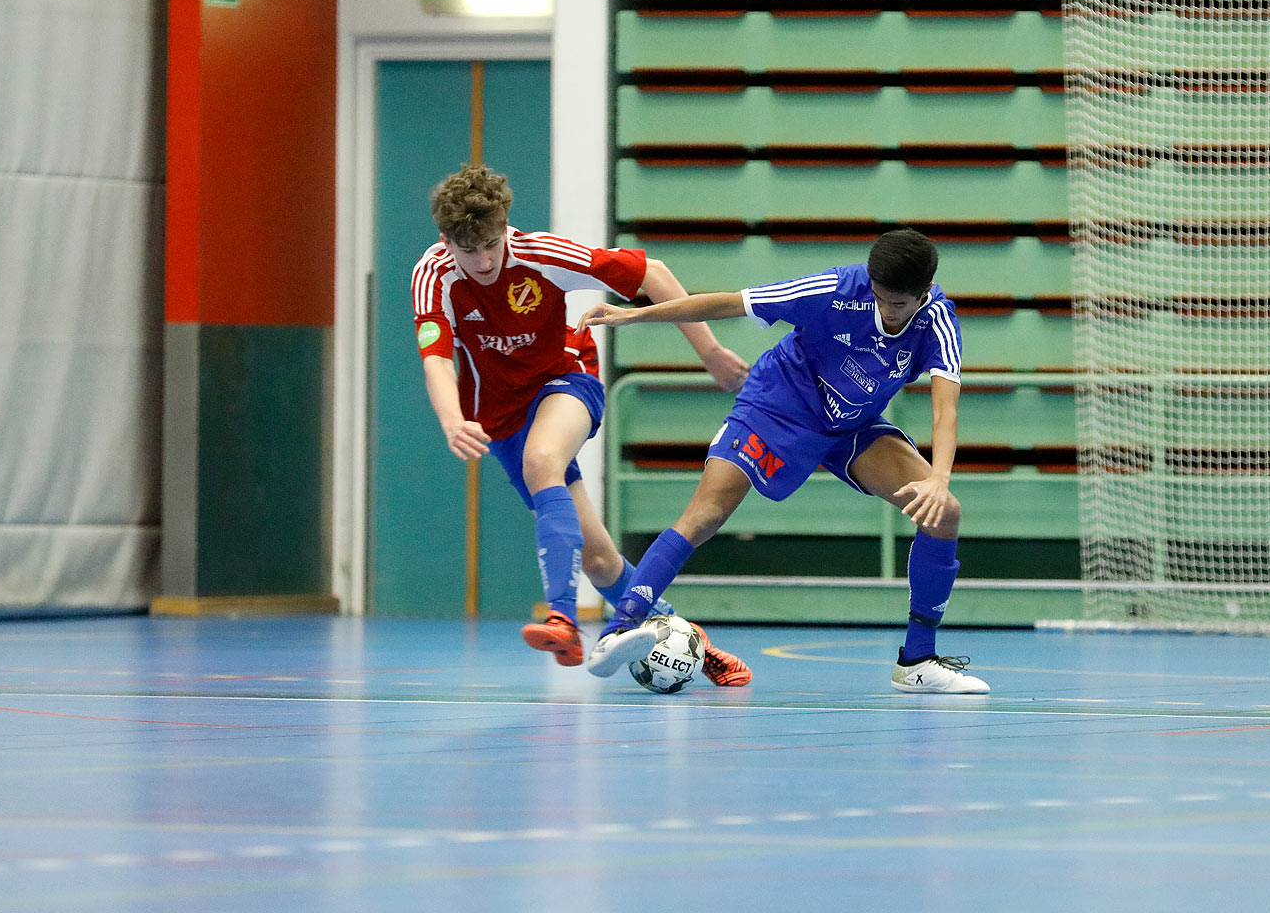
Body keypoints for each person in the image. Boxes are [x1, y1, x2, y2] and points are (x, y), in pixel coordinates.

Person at [576, 228, 989, 694]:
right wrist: (635, 316)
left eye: (899, 304)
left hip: (849, 427)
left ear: (925, 292)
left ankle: (916, 661)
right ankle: (617, 631)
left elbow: (945, 407)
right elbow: (730, 302)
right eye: (879, 298)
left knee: (944, 513)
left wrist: (939, 478)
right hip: (777, 404)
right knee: (705, 514)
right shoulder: (833, 290)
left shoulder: (937, 321)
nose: (886, 310)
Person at [412, 163, 751, 684]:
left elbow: (653, 274)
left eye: (490, 244)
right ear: (445, 240)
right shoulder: (433, 276)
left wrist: (708, 352)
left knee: (543, 458)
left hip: (566, 378)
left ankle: (563, 619)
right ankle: (697, 647)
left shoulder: (542, 255)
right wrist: (452, 418)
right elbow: (436, 357)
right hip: (500, 415)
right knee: (599, 560)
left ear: (505, 226)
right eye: (467, 249)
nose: (482, 261)